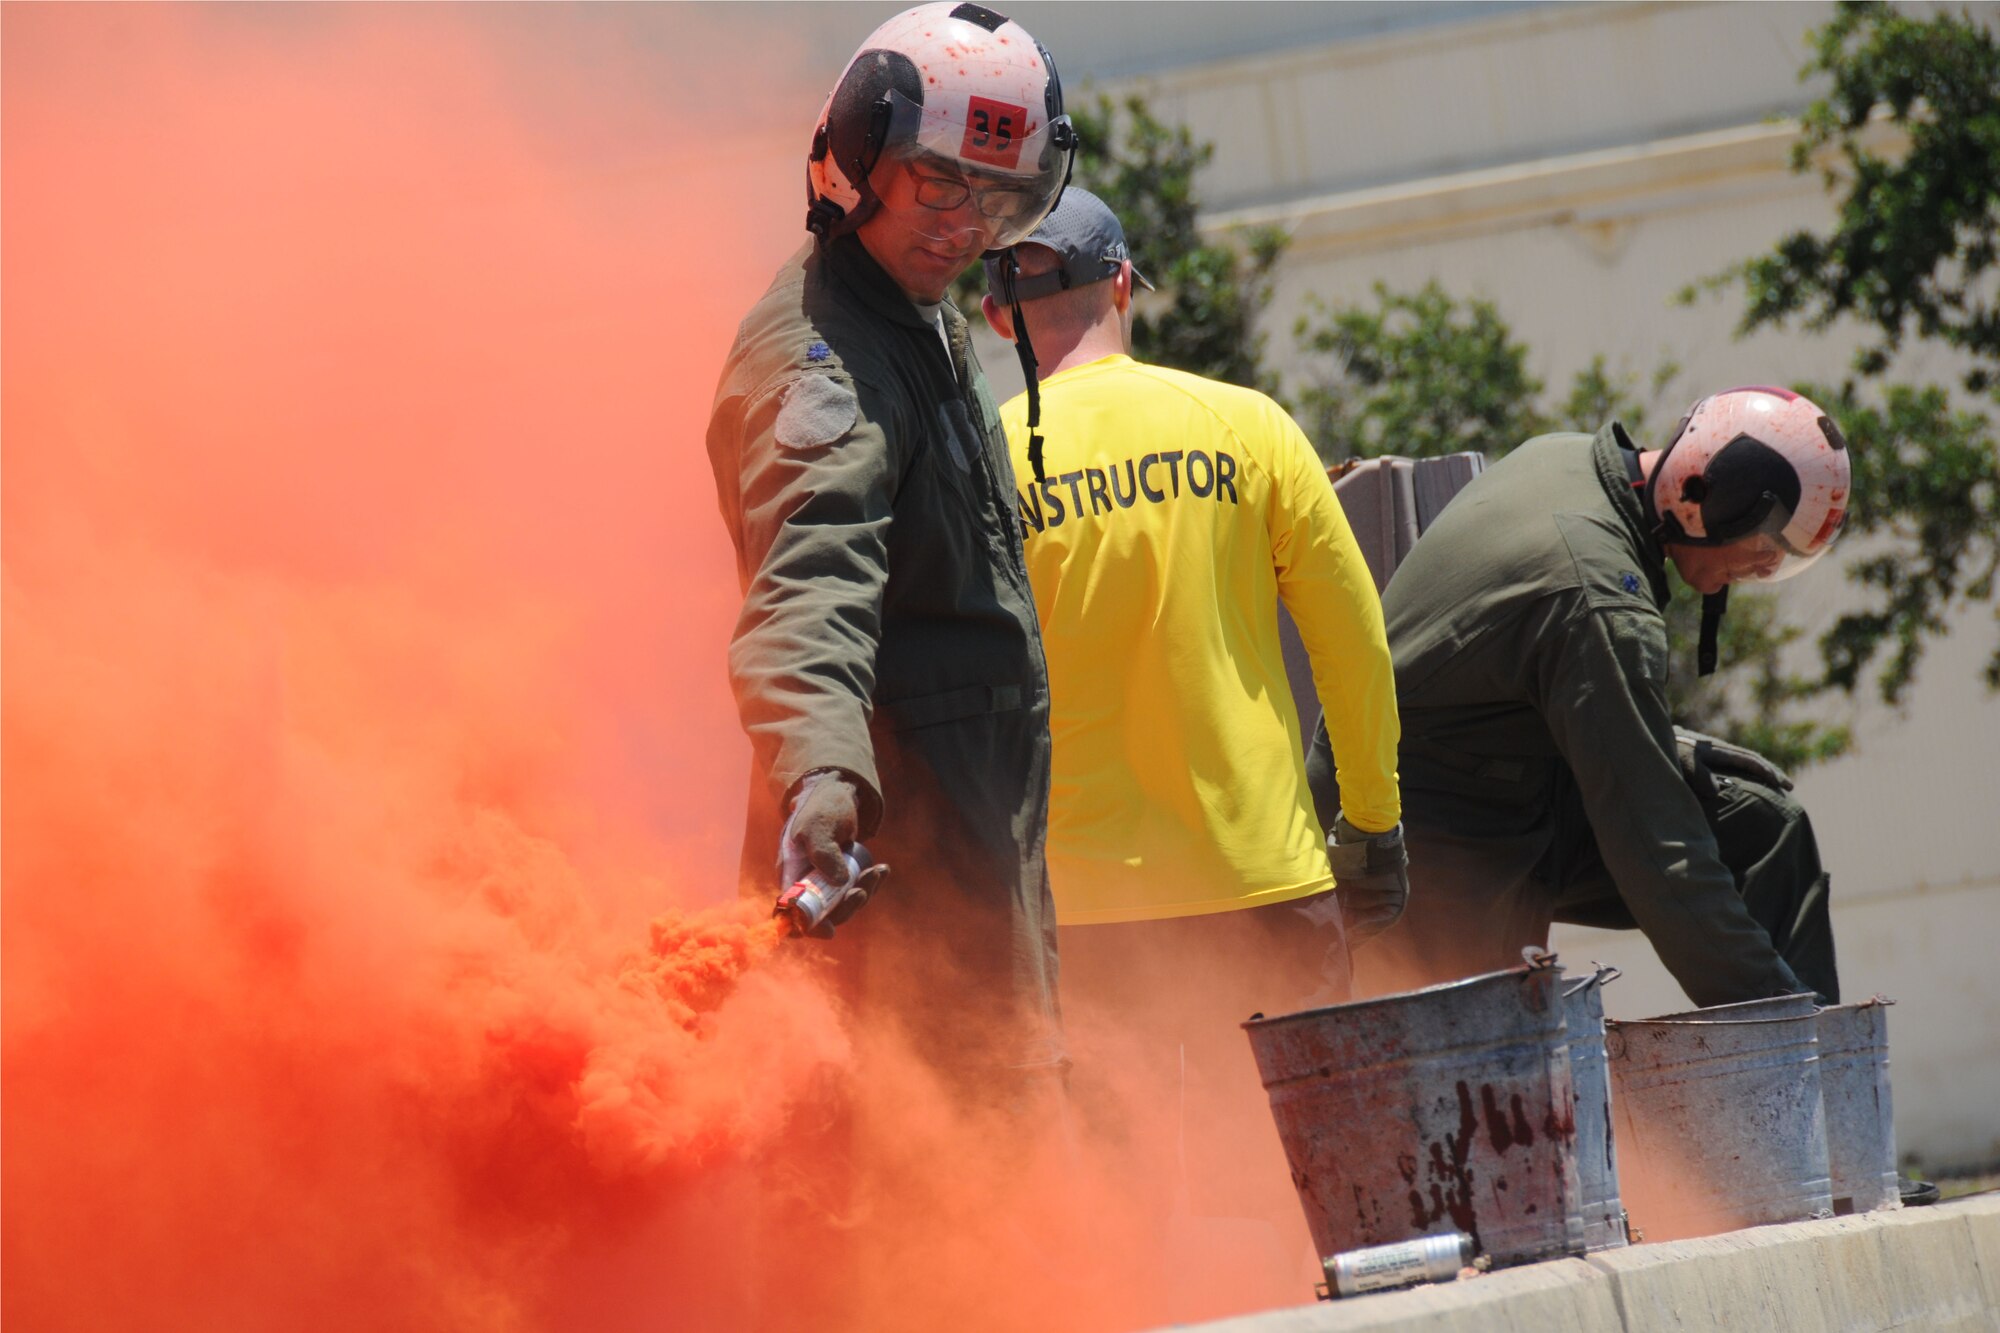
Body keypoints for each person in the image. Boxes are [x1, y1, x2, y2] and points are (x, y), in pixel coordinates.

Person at [978, 188, 1406, 1237]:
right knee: (1304, 1204)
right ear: (1122, 284)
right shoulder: (1244, 425)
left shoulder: (979, 460)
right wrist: (1373, 823)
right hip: (1260, 883)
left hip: (1080, 911)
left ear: (996, 316)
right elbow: (1352, 647)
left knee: (1127, 1226)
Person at [703, 2, 1077, 1103]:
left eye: (1002, 197)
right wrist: (820, 775)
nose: (967, 223)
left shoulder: (912, 314)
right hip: (901, 883)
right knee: (933, 1212)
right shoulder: (825, 363)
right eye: (939, 182)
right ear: (859, 157)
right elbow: (810, 582)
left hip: (964, 856)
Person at [1308, 387, 1851, 1007]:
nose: (1759, 571)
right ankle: (1794, 1062)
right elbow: (1657, 855)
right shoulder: (1597, 596)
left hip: (1504, 782)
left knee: (1760, 826)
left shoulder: (1566, 458)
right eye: (1762, 548)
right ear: (1707, 498)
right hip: (1424, 834)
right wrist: (1786, 1024)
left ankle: (1812, 1077)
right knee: (1486, 1076)